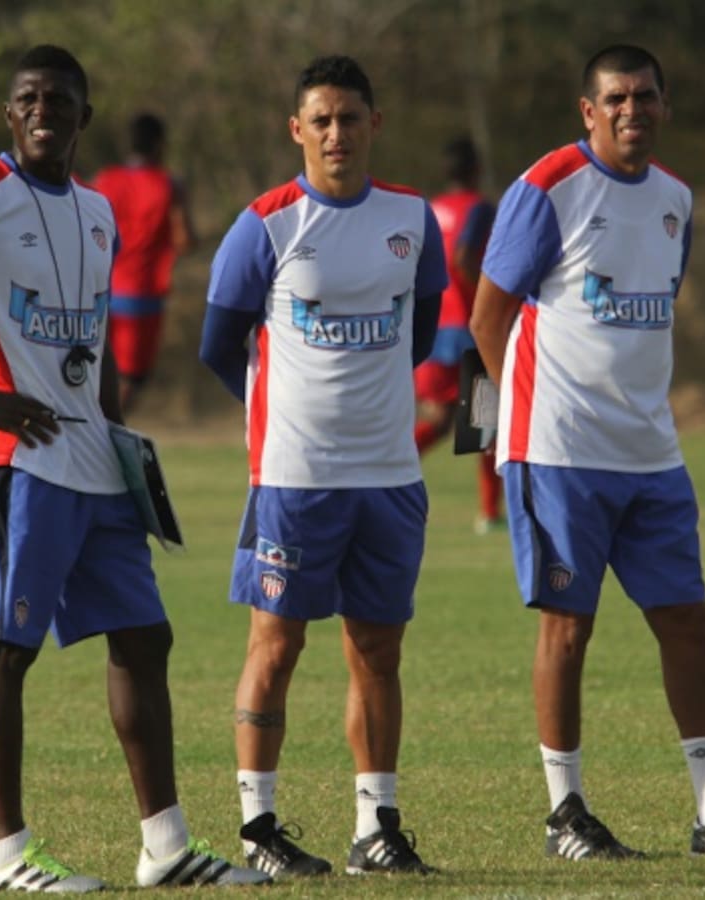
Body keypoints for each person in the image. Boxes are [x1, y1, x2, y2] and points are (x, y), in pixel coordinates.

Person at [0, 45, 268, 892]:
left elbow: (96, 333)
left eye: (60, 99)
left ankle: (166, 847)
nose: (43, 110)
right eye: (27, 98)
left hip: (91, 456)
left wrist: (121, 435)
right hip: (17, 458)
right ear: (10, 114)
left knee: (145, 636)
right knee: (9, 649)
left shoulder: (97, 210)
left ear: (86, 116)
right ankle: (7, 855)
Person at [469, 44, 705, 860]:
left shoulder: (676, 199)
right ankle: (566, 812)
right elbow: (486, 317)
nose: (631, 111)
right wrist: (520, 424)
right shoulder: (547, 189)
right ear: (588, 110)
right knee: (567, 631)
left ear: (664, 106)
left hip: (651, 453)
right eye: (615, 99)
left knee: (687, 620)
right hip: (559, 453)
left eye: (645, 97)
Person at [199, 54, 446, 879]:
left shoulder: (413, 218)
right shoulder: (265, 223)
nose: (337, 134)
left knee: (378, 650)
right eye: (322, 120)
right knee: (276, 645)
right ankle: (258, 828)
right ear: (296, 130)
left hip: (388, 477)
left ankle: (377, 827)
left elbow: (419, 335)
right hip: (294, 478)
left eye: (351, 118)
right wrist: (283, 412)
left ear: (375, 124)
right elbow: (216, 345)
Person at [414, 136, 504, 534]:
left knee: (439, 418)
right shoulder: (480, 209)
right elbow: (465, 258)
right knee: (484, 428)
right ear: (476, 169)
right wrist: (490, 293)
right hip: (471, 328)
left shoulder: (430, 211)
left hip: (434, 329)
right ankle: (488, 513)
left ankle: (376, 477)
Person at [92, 112, 197, 413]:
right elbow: (184, 241)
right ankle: (105, 439)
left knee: (94, 370)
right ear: (160, 145)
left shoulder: (105, 180)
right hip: (141, 294)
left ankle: (91, 436)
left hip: (99, 291)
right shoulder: (167, 185)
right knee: (131, 379)